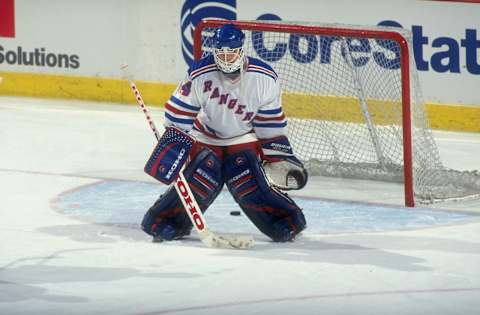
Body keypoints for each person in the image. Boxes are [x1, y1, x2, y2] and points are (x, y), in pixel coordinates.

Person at [141, 23, 307, 242]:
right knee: (202, 179)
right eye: (222, 53)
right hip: (206, 138)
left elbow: (270, 123)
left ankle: (285, 221)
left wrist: (277, 156)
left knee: (247, 180)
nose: (226, 59)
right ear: (215, 52)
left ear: (241, 50)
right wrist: (175, 148)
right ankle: (164, 221)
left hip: (243, 139)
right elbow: (178, 114)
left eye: (231, 53)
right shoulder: (199, 74)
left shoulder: (264, 78)